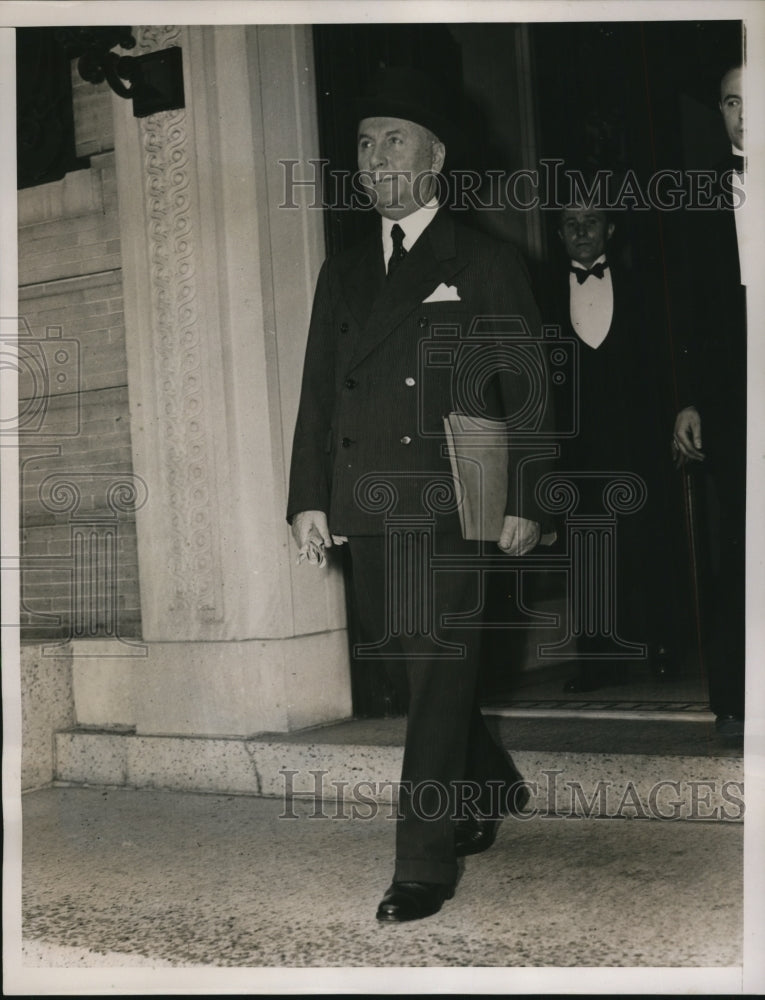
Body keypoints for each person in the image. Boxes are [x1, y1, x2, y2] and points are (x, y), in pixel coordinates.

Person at [287, 66, 554, 923]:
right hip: (366, 500)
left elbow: (530, 393)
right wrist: (307, 498)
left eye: (393, 139)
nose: (373, 158)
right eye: (363, 144)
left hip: (452, 497)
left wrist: (527, 496)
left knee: (436, 673)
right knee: (413, 672)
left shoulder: (483, 259)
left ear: (434, 157)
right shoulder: (344, 269)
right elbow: (321, 395)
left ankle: (422, 862)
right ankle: (492, 781)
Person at [547, 200, 677, 693]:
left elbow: (664, 361)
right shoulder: (543, 296)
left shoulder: (644, 288)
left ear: (611, 230)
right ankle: (600, 662)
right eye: (571, 224)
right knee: (587, 552)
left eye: (591, 221)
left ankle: (663, 645)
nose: (581, 231)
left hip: (638, 443)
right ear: (560, 235)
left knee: (649, 545)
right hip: (577, 452)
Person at [673, 64, 747, 738]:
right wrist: (689, 400)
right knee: (740, 540)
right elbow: (689, 311)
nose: (741, 113)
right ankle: (735, 696)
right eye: (729, 101)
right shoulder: (699, 197)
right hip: (732, 399)